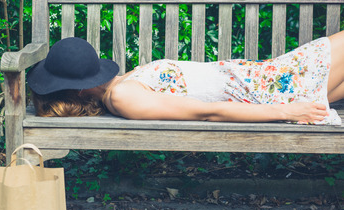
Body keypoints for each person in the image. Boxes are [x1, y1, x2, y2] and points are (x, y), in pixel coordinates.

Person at [26, 31, 344, 125]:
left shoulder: (122, 85)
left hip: (267, 77)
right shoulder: (124, 97)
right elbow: (210, 112)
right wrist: (288, 110)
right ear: (81, 92)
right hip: (269, 89)